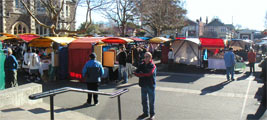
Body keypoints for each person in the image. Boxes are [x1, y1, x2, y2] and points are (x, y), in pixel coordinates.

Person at [134, 52, 157, 120]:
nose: (145, 58)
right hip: (143, 85)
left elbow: (150, 73)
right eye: (144, 56)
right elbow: (136, 72)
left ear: (150, 58)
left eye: (147, 56)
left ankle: (152, 114)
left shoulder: (153, 65)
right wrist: (140, 74)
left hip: (150, 85)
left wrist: (141, 74)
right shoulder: (142, 64)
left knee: (151, 101)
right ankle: (145, 113)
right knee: (144, 101)